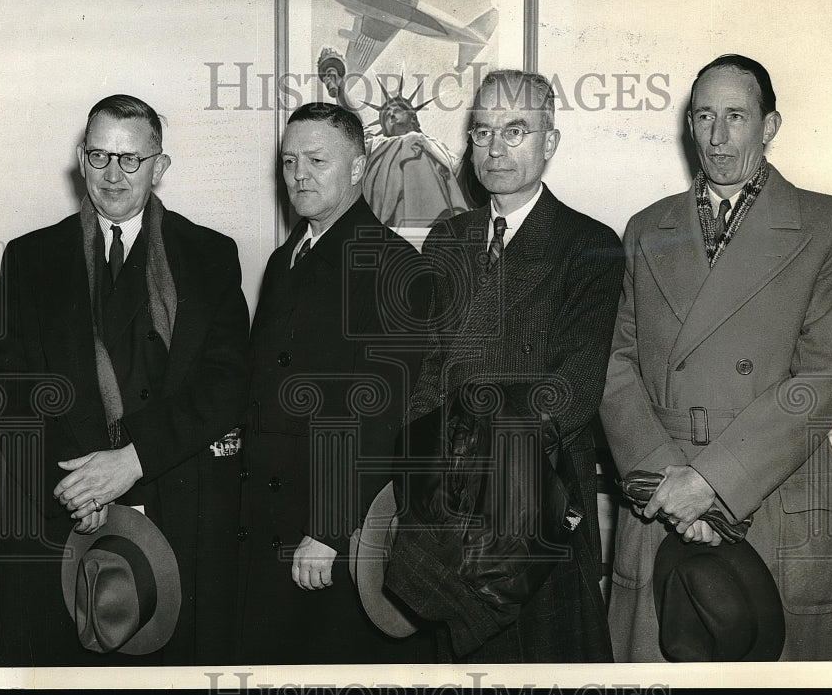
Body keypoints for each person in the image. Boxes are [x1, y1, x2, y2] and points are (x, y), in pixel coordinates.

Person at [599, 54, 832, 661]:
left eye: (736, 117)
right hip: (660, 487)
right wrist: (664, 480)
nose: (717, 138)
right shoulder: (645, 229)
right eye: (703, 117)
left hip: (771, 484)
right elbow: (616, 365)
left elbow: (821, 379)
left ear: (769, 126)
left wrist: (714, 484)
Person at [0, 94, 250, 665]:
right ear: (81, 158)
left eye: (132, 159)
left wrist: (133, 461)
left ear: (160, 166)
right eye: (100, 157)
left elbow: (227, 383)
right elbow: (1, 388)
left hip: (177, 509)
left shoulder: (210, 255)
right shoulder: (30, 258)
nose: (114, 175)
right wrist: (79, 485)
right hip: (61, 509)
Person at [392, 69, 624, 662]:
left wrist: (478, 464)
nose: (494, 149)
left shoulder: (589, 243)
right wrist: (422, 486)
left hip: (534, 505)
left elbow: (573, 390)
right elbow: (428, 373)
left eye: (515, 131)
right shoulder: (448, 239)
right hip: (446, 507)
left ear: (550, 143)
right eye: (482, 131)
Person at [237, 102, 431, 663]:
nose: (299, 174)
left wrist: (328, 526)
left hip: (329, 528)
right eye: (289, 160)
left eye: (317, 160)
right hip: (267, 517)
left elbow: (380, 414)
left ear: (358, 167)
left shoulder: (394, 264)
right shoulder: (282, 261)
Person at [362, 78, 472, 228]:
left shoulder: (436, 145)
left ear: (413, 117)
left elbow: (459, 173)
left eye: (397, 110)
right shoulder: (377, 146)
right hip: (392, 215)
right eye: (387, 116)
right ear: (385, 129)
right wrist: (341, 89)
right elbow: (353, 135)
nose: (392, 115)